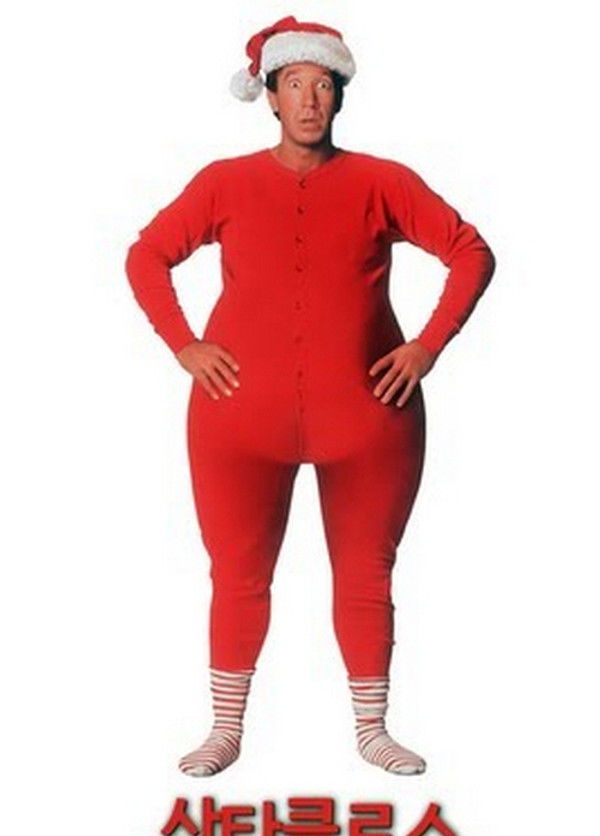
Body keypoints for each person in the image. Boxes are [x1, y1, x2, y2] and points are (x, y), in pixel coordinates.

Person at [125, 14, 496, 778]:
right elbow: (146, 255)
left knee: (367, 572)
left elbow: (470, 251)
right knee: (237, 573)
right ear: (269, 95)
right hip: (237, 417)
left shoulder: (383, 182)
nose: (309, 100)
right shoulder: (224, 182)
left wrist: (427, 345)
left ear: (340, 96)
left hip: (371, 417)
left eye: (323, 85)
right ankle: (225, 728)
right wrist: (184, 343)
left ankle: (373, 729)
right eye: (295, 84)